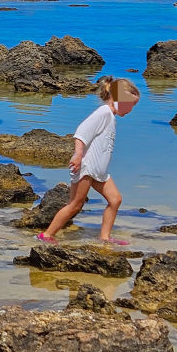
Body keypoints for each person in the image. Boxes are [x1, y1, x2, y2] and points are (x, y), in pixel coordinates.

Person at [38, 76, 141, 246]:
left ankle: (105, 238)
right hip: (86, 167)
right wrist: (78, 155)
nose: (131, 109)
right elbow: (81, 133)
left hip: (99, 172)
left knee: (115, 200)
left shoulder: (110, 116)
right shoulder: (103, 113)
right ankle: (47, 235)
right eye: (130, 104)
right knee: (75, 205)